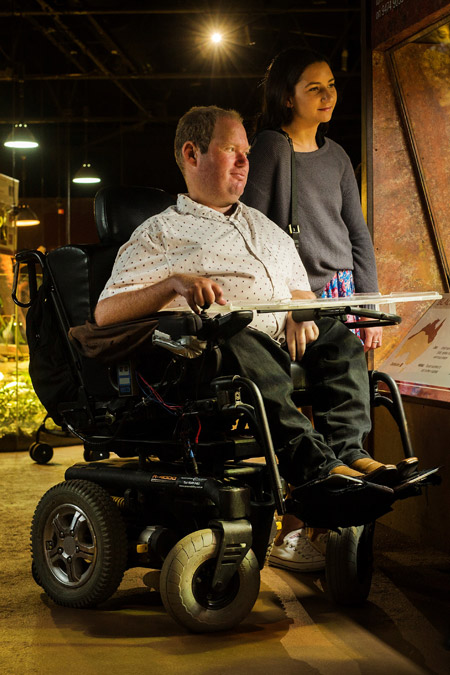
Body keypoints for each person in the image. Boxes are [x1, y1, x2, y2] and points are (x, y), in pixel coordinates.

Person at [95, 105, 402, 540]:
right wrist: (172, 284)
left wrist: (301, 311)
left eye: (246, 152)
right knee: (239, 336)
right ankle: (314, 468)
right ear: (191, 154)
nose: (244, 162)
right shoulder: (160, 233)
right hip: (212, 353)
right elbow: (106, 312)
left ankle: (350, 456)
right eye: (230, 150)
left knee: (339, 340)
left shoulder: (265, 227)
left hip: (282, 339)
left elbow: (302, 291)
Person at [241, 48, 385, 570]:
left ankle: (348, 459)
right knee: (299, 398)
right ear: (287, 95)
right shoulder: (272, 149)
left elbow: (358, 234)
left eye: (331, 86)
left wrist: (367, 306)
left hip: (339, 295)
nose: (329, 95)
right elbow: (254, 232)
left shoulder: (338, 155)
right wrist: (286, 304)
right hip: (291, 297)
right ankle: (298, 528)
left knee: (346, 370)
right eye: (315, 88)